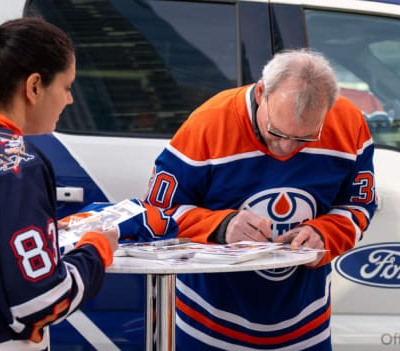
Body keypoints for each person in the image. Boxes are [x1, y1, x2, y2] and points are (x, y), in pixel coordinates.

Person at [136, 49, 377, 350]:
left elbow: (359, 205)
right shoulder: (209, 124)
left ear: (329, 109)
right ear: (262, 92)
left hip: (306, 322)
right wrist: (221, 226)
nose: (286, 148)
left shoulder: (348, 123)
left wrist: (325, 233)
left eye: (304, 138)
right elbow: (155, 212)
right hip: (208, 323)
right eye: (276, 132)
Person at [0, 11, 118, 350]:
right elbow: (39, 303)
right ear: (35, 86)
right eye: (67, 87)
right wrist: (97, 250)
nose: (69, 99)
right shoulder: (13, 162)